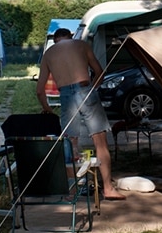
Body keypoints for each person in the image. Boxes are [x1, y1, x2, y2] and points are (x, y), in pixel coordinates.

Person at [36, 28, 126, 201]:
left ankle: (71, 192)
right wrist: (93, 89)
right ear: (70, 36)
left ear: (55, 40)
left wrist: (47, 109)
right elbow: (100, 72)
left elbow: (40, 91)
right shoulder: (81, 45)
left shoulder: (49, 53)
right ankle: (108, 188)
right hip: (86, 89)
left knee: (70, 145)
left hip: (66, 96)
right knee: (100, 142)